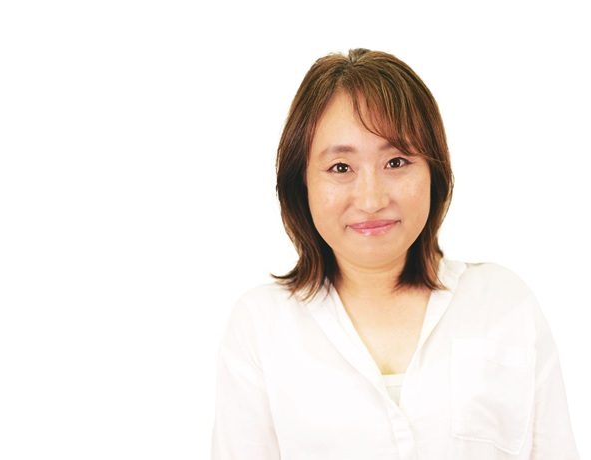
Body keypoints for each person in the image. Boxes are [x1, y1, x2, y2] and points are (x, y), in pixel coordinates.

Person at [211, 48, 579, 459]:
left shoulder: (504, 303)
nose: (371, 199)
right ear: (302, 183)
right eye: (341, 168)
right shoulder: (260, 326)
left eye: (397, 161)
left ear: (434, 171)